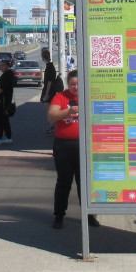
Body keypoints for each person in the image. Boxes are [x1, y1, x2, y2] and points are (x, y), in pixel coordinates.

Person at [48, 69, 98, 229]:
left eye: (78, 84)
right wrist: (68, 111)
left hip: (84, 145)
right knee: (64, 182)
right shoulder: (61, 96)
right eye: (72, 84)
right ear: (68, 84)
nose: (75, 87)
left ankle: (89, 215)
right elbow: (52, 115)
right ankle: (59, 215)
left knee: (84, 182)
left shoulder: (89, 95)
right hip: (63, 146)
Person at [40, 48, 61, 134]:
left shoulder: (49, 67)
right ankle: (52, 126)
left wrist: (47, 94)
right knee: (48, 108)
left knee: (47, 108)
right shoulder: (50, 66)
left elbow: (49, 82)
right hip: (50, 90)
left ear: (43, 57)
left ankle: (53, 126)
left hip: (49, 91)